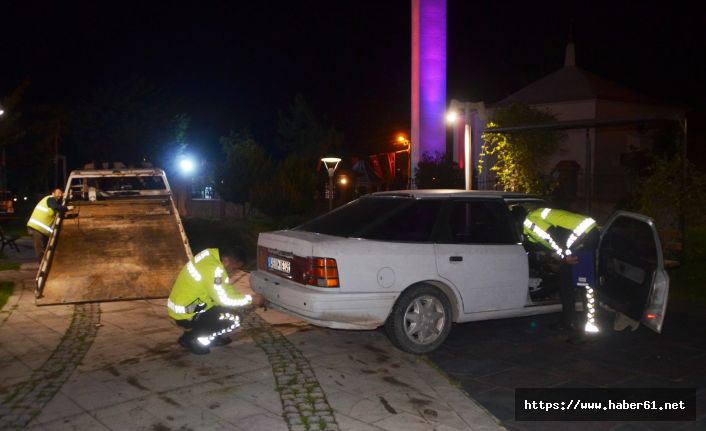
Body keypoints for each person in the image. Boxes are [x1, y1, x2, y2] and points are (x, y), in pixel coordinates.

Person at [523, 207, 599, 341]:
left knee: (584, 286)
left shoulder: (530, 223)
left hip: (584, 238)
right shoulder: (533, 217)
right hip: (581, 236)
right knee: (565, 283)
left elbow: (553, 236)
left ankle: (586, 331)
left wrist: (565, 256)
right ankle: (567, 321)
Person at [167, 247, 253, 355]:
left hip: (187, 306)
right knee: (234, 318)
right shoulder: (215, 270)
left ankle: (209, 337)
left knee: (226, 310)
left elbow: (225, 288)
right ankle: (192, 339)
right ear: (226, 261)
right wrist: (251, 299)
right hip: (186, 313)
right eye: (234, 268)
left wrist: (238, 297)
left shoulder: (210, 255)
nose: (234, 271)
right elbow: (224, 299)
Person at [26, 188, 68, 263]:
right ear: (52, 193)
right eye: (58, 193)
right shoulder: (50, 199)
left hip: (41, 230)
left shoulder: (53, 203)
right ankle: (42, 266)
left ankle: (45, 264)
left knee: (44, 249)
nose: (60, 195)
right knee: (40, 250)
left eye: (61, 193)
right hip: (36, 228)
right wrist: (67, 208)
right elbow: (56, 207)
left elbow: (57, 209)